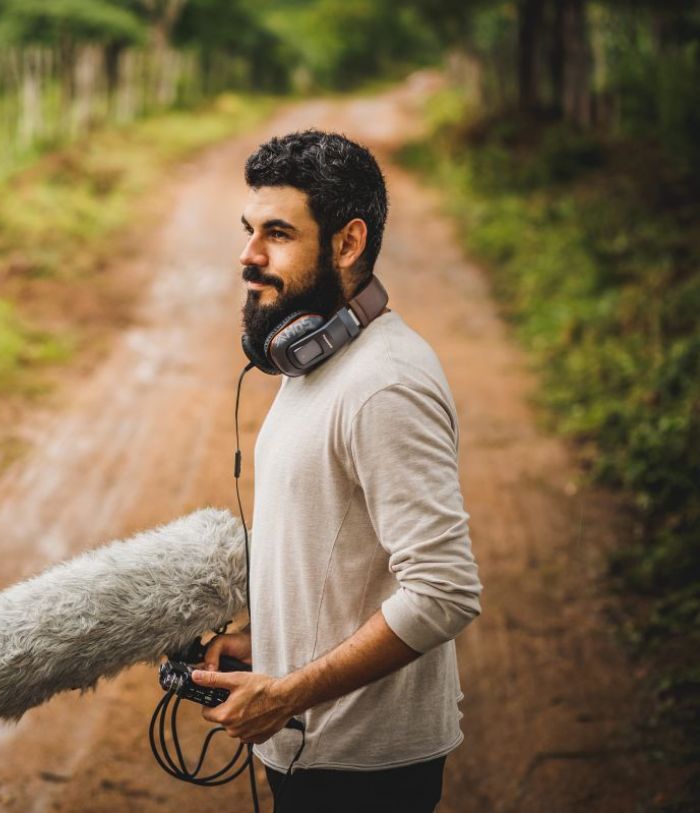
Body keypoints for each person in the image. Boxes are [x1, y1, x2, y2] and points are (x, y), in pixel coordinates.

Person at [189, 130, 483, 813]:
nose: (248, 255)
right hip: (314, 750)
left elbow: (444, 590)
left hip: (362, 772)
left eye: (278, 233)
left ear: (348, 243)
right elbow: (335, 555)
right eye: (249, 230)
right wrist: (270, 642)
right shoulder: (316, 359)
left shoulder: (385, 385)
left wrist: (288, 692)